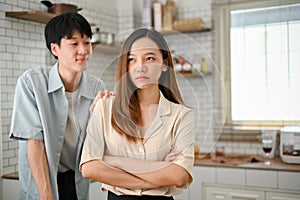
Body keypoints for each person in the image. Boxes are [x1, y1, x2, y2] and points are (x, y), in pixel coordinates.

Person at [80, 28, 195, 199]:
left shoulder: (181, 115)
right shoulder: (105, 106)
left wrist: (113, 161)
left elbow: (179, 176)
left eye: (149, 58)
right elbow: (89, 168)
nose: (140, 67)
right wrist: (159, 169)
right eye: (132, 60)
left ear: (164, 64)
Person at [10, 12, 107, 200]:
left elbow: (100, 141)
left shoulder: (97, 88)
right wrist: (46, 194)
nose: (84, 50)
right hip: (42, 180)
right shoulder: (31, 83)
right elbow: (35, 142)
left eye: (87, 42)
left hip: (76, 179)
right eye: (74, 44)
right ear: (55, 49)